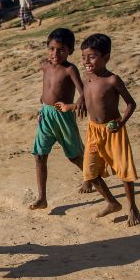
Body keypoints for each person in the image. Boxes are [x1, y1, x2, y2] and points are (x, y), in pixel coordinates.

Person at [55, 33, 140, 226]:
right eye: (84, 57)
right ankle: (112, 202)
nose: (86, 61)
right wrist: (71, 106)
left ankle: (132, 207)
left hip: (114, 132)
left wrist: (121, 123)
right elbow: (85, 99)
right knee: (90, 171)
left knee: (123, 171)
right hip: (93, 131)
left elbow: (131, 104)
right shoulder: (86, 78)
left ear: (106, 57)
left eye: (92, 56)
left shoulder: (113, 80)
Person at [29, 28, 92, 210]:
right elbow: (47, 84)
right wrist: (43, 97)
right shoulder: (44, 65)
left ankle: (89, 177)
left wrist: (80, 99)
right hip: (46, 115)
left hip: (63, 116)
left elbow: (83, 92)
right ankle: (42, 198)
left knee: (74, 156)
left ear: (70, 51)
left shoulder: (69, 69)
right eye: (51, 49)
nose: (55, 53)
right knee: (39, 155)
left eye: (61, 50)